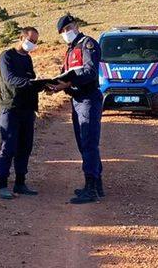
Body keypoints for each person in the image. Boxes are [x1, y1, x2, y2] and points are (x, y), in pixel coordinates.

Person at [48, 14, 104, 204]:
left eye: (68, 28)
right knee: (83, 143)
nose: (66, 33)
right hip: (78, 99)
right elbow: (67, 75)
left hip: (89, 99)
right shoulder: (70, 50)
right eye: (62, 32)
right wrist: (58, 86)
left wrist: (68, 82)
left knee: (88, 143)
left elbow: (89, 72)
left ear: (76, 26)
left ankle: (91, 189)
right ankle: (96, 184)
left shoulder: (87, 44)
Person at [0, 27, 42, 199]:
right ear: (21, 37)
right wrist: (31, 83)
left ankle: (20, 183)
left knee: (25, 146)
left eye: (35, 42)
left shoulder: (28, 59)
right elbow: (10, 80)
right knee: (8, 146)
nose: (32, 44)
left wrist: (43, 84)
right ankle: (2, 184)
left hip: (27, 109)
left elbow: (31, 79)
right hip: (10, 107)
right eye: (31, 40)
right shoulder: (6, 56)